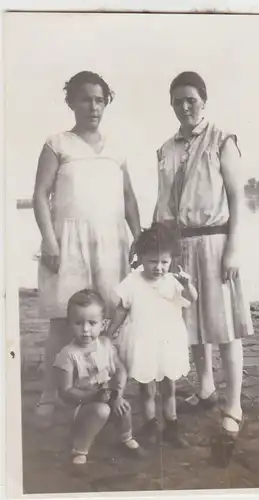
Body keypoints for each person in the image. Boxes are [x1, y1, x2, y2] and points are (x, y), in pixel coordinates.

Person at [33, 71, 140, 427]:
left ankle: (107, 389)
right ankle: (51, 393)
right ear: (71, 103)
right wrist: (49, 239)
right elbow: (40, 195)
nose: (93, 106)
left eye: (99, 99)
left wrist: (138, 236)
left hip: (111, 243)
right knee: (64, 320)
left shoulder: (117, 148)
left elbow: (128, 198)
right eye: (85, 99)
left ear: (106, 102)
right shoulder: (57, 143)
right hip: (69, 241)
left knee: (110, 316)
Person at [153, 71, 254, 448]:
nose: (184, 106)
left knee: (224, 326)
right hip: (180, 245)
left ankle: (233, 406)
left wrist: (233, 247)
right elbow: (162, 203)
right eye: (178, 100)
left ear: (204, 101)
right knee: (191, 323)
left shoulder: (222, 140)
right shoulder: (165, 149)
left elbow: (237, 198)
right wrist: (156, 247)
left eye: (191, 99)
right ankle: (207, 388)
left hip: (215, 241)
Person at [107, 223, 198, 448]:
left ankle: (171, 426)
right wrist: (109, 332)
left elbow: (192, 299)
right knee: (146, 388)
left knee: (169, 387)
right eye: (152, 262)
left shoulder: (174, 282)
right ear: (141, 258)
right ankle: (149, 425)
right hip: (143, 342)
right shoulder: (133, 281)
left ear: (171, 261)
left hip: (167, 342)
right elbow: (122, 308)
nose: (158, 267)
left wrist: (188, 286)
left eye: (164, 262)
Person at [54, 289, 143, 465]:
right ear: (69, 324)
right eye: (78, 323)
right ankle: (79, 449)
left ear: (102, 325)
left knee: (123, 405)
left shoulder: (106, 345)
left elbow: (120, 369)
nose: (86, 330)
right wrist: (92, 396)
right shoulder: (67, 355)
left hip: (105, 396)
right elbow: (65, 392)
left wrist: (117, 393)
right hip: (78, 407)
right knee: (101, 410)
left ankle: (126, 438)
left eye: (92, 323)